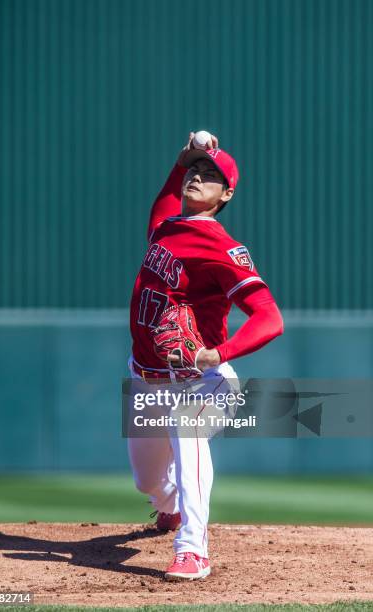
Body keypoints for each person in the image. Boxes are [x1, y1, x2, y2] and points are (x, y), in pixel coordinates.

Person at [127, 132, 284, 580]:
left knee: (187, 425)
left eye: (210, 174)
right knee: (148, 483)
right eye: (195, 170)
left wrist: (219, 353)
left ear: (226, 193)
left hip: (202, 382)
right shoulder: (168, 228)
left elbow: (269, 318)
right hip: (145, 379)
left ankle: (193, 550)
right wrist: (180, 161)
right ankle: (170, 506)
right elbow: (161, 203)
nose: (198, 176)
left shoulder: (222, 247)